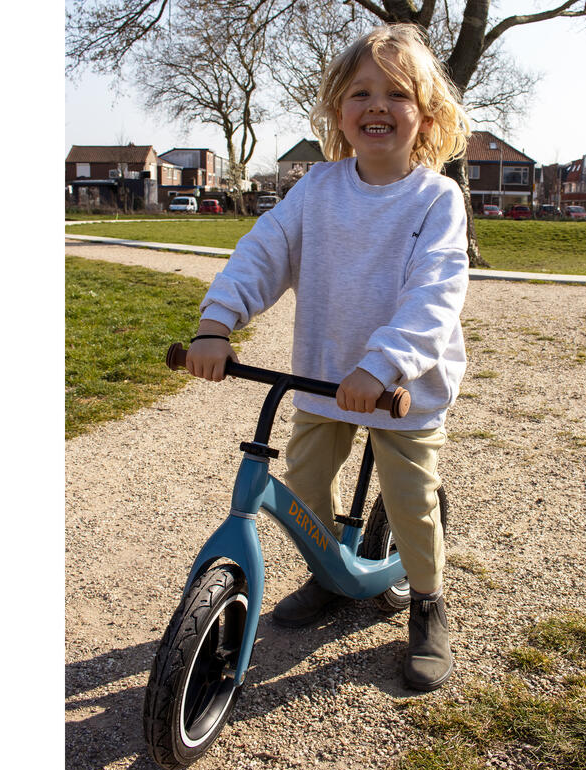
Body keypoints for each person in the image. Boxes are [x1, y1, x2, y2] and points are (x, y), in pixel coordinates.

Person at [186, 24, 471, 691]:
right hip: (322, 377)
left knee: (410, 499)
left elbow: (435, 293)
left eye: (396, 94)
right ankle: (330, 571)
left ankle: (427, 602)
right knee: (304, 481)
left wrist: (383, 365)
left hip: (400, 385)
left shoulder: (436, 199)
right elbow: (264, 251)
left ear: (424, 116)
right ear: (339, 110)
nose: (376, 105)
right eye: (360, 92)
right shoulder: (317, 188)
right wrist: (216, 321)